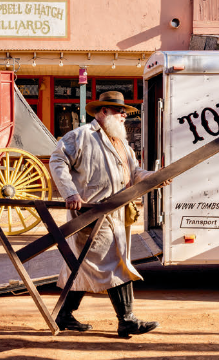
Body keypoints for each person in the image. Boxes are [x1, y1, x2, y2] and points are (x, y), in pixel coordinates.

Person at [49, 90, 162, 338]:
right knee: (114, 263)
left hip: (116, 214)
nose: (124, 115)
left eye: (124, 112)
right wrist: (69, 193)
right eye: (119, 111)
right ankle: (127, 319)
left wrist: (152, 179)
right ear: (103, 112)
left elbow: (135, 173)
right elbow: (57, 161)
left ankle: (64, 315)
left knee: (84, 265)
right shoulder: (80, 136)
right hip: (91, 213)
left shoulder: (121, 144)